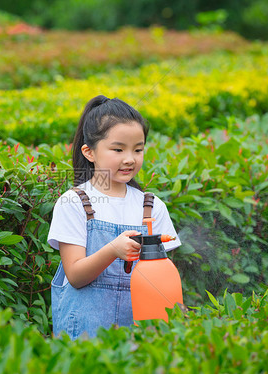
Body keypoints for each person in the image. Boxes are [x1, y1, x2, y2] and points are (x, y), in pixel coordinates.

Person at [47, 95, 181, 340]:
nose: (129, 158)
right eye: (118, 149)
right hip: (85, 336)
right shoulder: (74, 202)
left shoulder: (151, 206)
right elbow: (75, 276)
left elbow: (162, 278)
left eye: (138, 149)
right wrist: (112, 250)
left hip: (140, 335)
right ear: (89, 152)